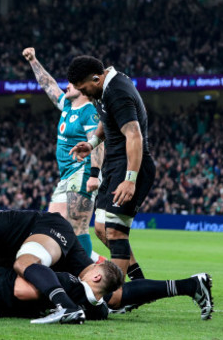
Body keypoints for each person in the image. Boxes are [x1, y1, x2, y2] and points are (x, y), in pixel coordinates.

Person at [0, 206, 213, 322]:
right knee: (112, 297)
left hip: (45, 228)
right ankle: (190, 285)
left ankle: (65, 307)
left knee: (25, 264)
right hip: (51, 246)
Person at [68, 56, 156, 279]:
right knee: (101, 229)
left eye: (84, 88)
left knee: (116, 231)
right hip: (113, 166)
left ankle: (118, 295)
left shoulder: (117, 92)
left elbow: (134, 135)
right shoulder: (104, 88)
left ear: (96, 78)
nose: (84, 94)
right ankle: (138, 283)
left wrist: (130, 179)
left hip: (130, 165)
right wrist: (92, 143)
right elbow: (106, 119)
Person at [22, 47, 101, 260]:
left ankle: (84, 275)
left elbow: (98, 144)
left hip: (82, 171)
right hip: (66, 175)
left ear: (82, 88)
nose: (66, 86)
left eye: (71, 83)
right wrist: (34, 61)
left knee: (77, 227)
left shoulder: (89, 113)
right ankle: (97, 264)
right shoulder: (67, 105)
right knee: (53, 224)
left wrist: (94, 174)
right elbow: (48, 85)